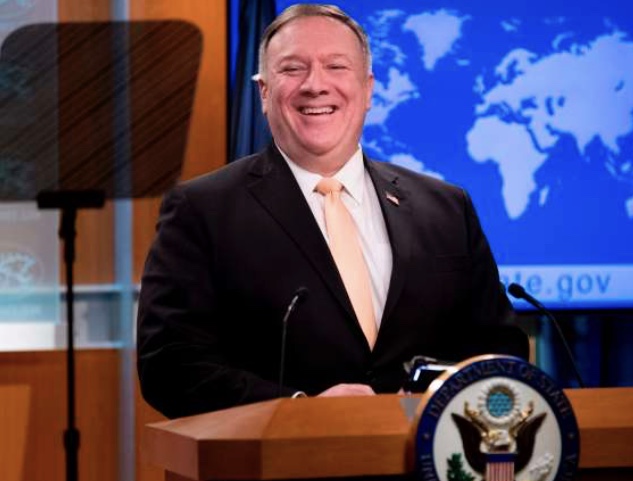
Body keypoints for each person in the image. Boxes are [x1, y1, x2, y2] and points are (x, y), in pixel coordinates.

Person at [137, 3, 528, 419]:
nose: (315, 85)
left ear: (368, 89)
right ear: (264, 92)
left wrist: (435, 403)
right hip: (280, 458)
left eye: (336, 66)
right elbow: (170, 365)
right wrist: (301, 412)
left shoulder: (447, 208)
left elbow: (500, 351)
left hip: (426, 454)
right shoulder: (202, 210)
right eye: (293, 69)